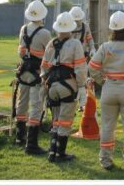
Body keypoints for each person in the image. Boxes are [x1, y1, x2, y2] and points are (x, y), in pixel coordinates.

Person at [88, 11, 124, 171]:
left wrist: (102, 81)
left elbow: (92, 68)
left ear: (112, 29)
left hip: (109, 89)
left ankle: (105, 160)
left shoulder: (105, 47)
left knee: (107, 126)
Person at [41, 12, 87, 163]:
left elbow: (44, 68)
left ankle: (52, 152)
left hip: (52, 86)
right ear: (71, 28)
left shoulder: (51, 43)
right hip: (68, 85)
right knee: (65, 121)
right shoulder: (75, 44)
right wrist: (81, 86)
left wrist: (45, 85)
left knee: (56, 120)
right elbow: (80, 68)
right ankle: (60, 154)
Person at [13, 0, 51, 155]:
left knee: (21, 103)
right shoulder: (45, 33)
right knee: (35, 106)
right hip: (37, 73)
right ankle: (32, 144)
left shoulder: (24, 29)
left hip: (24, 71)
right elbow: (50, 54)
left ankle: (19, 137)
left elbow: (21, 51)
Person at [69, 6, 95, 112]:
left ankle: (82, 105)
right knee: (71, 81)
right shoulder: (68, 27)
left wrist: (92, 48)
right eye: (75, 20)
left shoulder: (85, 27)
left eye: (78, 20)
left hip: (82, 58)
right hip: (69, 60)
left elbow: (90, 40)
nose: (77, 22)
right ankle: (72, 104)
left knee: (83, 80)